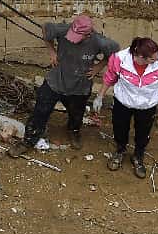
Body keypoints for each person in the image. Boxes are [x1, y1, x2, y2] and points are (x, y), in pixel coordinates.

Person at [9, 14, 119, 157]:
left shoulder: (99, 42)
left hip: (79, 86)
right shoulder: (63, 30)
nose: (73, 39)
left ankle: (73, 131)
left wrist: (100, 66)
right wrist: (51, 50)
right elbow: (45, 28)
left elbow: (115, 52)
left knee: (76, 114)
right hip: (55, 81)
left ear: (88, 34)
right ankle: (28, 140)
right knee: (40, 111)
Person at [97, 37, 158, 179]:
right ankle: (120, 151)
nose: (156, 60)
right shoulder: (119, 59)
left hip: (147, 105)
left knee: (143, 132)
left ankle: (138, 156)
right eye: (152, 59)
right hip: (123, 102)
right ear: (140, 56)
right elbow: (110, 78)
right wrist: (100, 96)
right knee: (120, 127)